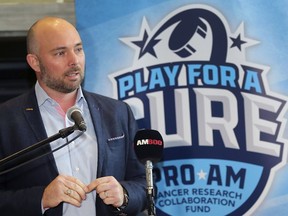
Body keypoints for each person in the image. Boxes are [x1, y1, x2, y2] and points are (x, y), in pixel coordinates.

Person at [0, 16, 147, 216]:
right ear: (34, 62)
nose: (74, 61)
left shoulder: (117, 112)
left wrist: (124, 194)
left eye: (78, 49)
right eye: (60, 53)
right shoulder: (6, 120)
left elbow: (143, 184)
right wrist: (41, 198)